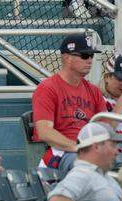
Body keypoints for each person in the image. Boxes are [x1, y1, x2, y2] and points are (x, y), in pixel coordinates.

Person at [32, 33, 108, 171]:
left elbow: (105, 127)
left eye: (92, 56)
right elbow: (45, 132)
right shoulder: (47, 88)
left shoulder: (94, 91)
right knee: (86, 165)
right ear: (67, 58)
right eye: (85, 56)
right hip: (61, 152)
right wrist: (79, 148)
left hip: (90, 150)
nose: (90, 60)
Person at [43, 121, 122, 201]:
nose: (117, 152)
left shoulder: (103, 175)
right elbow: (57, 199)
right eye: (113, 145)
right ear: (97, 147)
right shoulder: (82, 174)